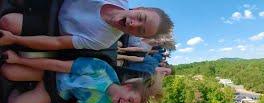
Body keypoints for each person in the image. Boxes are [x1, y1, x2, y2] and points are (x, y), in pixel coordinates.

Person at [0, 50, 161, 103]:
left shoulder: (103, 102)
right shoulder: (100, 69)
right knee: (8, 70)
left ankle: (21, 88)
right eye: (130, 99)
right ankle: (23, 78)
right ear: (127, 86)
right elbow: (56, 65)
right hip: (51, 72)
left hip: (54, 92)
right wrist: (19, 60)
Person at [0, 0, 174, 50]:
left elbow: (58, 43)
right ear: (139, 7)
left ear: (137, 37)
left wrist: (15, 39)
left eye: (140, 30)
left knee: (7, 23)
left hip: (52, 25)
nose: (133, 23)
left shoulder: (103, 42)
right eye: (140, 17)